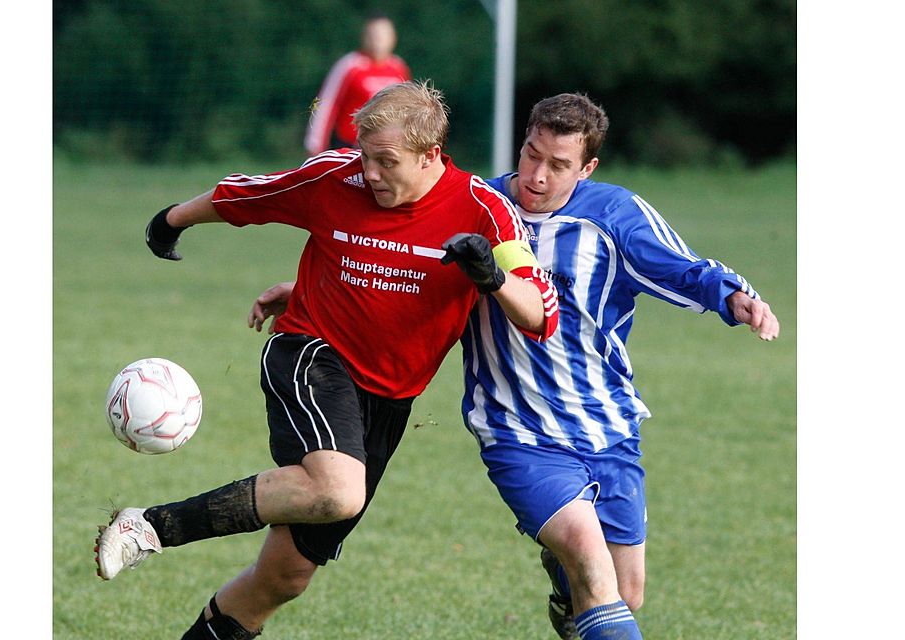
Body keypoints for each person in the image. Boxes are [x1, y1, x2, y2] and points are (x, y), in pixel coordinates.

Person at [250, 93, 779, 640]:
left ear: (588, 168)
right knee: (588, 558)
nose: (538, 175)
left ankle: (563, 583)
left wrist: (735, 297)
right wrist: (310, 290)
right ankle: (570, 562)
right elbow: (399, 264)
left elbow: (685, 269)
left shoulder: (615, 217)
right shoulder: (479, 206)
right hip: (516, 427)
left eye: (559, 165)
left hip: (606, 424)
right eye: (532, 155)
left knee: (624, 592)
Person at [94, 80, 559, 640]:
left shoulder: (484, 211)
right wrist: (172, 220)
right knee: (338, 490)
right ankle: (149, 527)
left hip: (388, 401)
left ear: (431, 154)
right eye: (365, 157)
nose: (371, 173)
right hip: (310, 353)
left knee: (283, 578)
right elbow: (250, 195)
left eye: (387, 161)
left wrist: (492, 276)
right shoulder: (336, 176)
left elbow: (539, 314)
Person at [303, 13, 411, 156]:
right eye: (373, 35)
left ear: (393, 38)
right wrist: (315, 143)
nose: (378, 41)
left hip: (387, 149)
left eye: (383, 35)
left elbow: (408, 109)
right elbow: (326, 103)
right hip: (350, 147)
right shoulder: (350, 65)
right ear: (364, 37)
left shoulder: (399, 68)